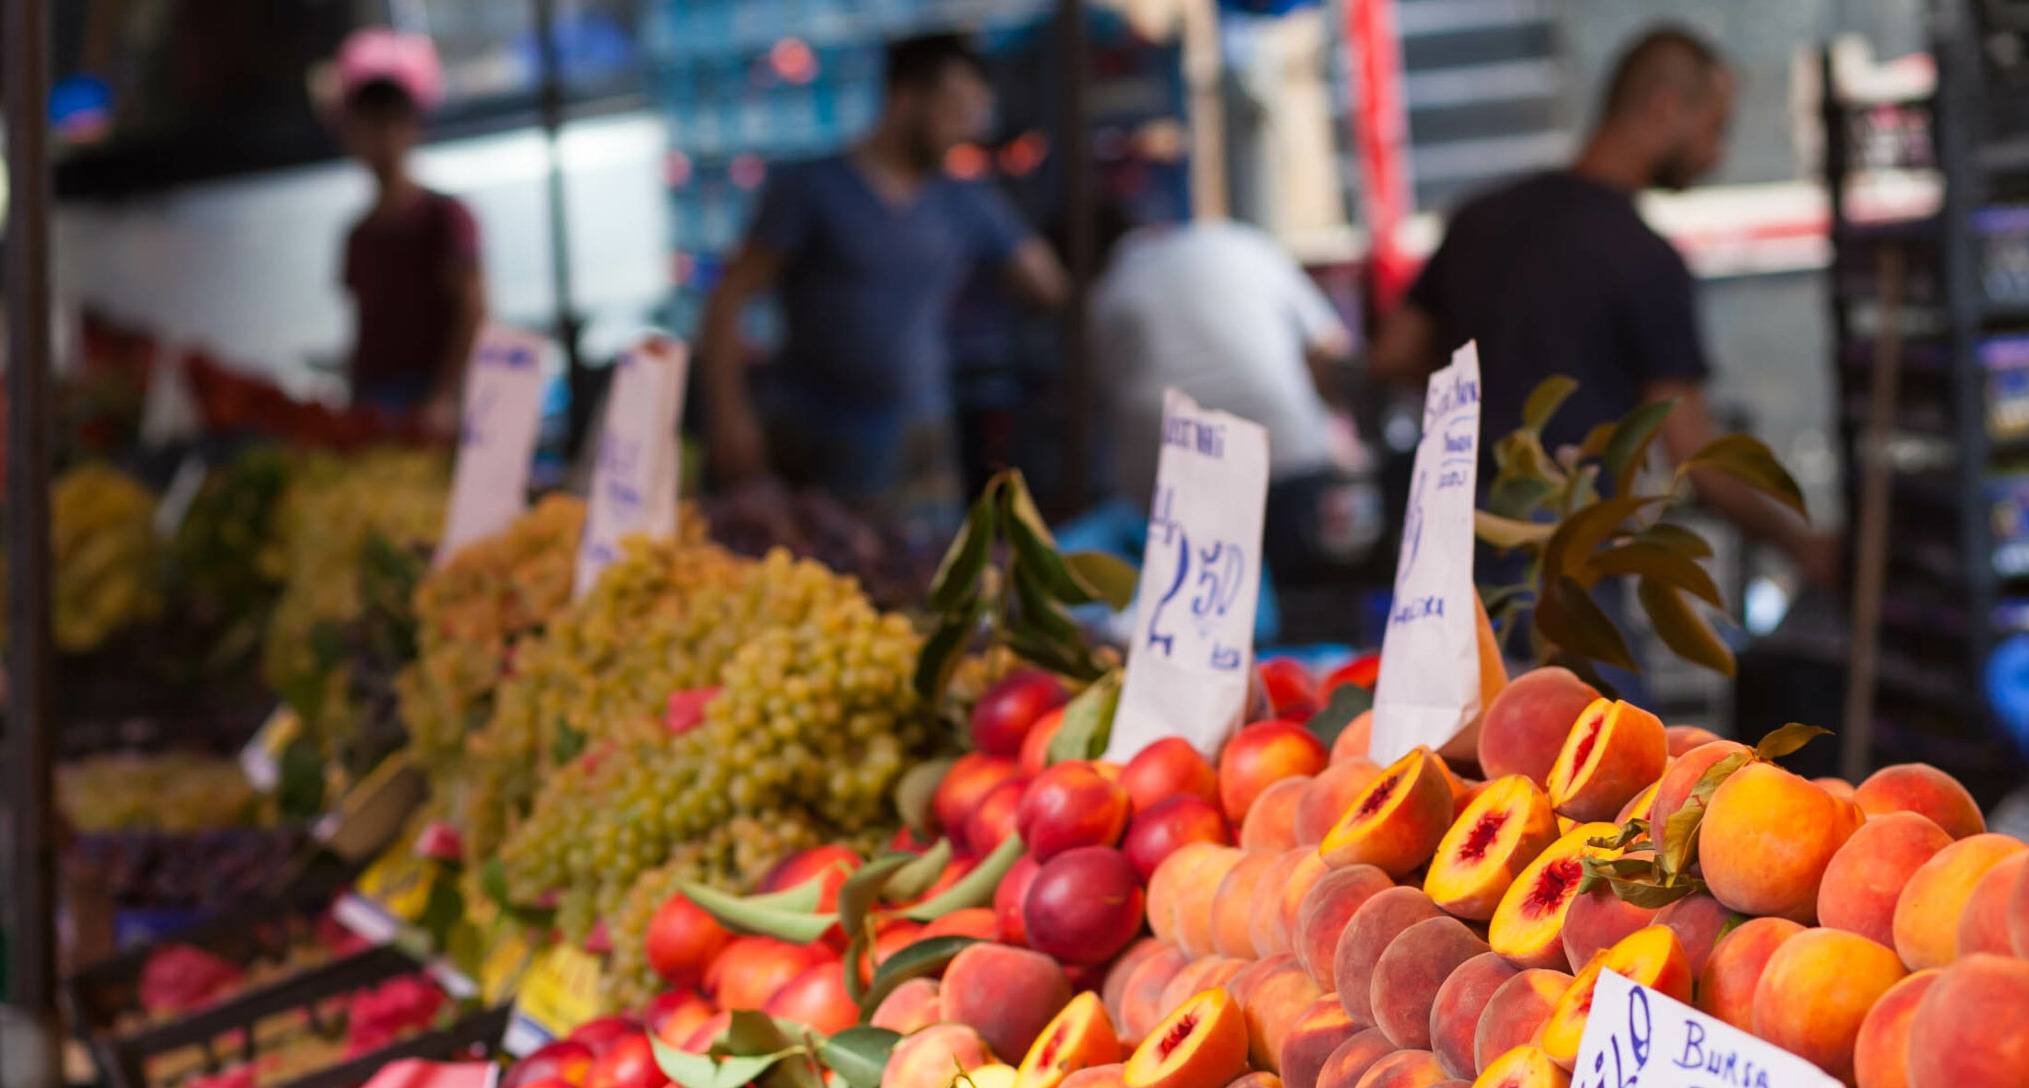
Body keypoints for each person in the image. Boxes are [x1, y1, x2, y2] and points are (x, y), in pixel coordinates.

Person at [1369, 27, 1837, 582]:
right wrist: (1799, 543)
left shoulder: (1479, 218)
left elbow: (1392, 356)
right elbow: (1692, 449)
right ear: (1664, 109)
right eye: (1715, 128)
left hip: (1445, 545)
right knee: (1576, 672)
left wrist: (1486, 378)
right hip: (1565, 562)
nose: (1718, 153)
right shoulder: (1644, 257)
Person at [701, 33, 1070, 534]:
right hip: (819, 434)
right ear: (905, 98)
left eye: (974, 113)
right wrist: (729, 415)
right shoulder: (814, 188)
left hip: (922, 434)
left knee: (923, 577)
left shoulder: (964, 201)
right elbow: (729, 298)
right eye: (955, 109)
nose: (965, 129)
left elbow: (1047, 286)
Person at [1091, 215, 1363, 643]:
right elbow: (1330, 353)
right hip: (1283, 447)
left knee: (1207, 624)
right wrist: (1347, 438)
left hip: (1178, 465)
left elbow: (1108, 394)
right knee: (1302, 605)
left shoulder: (1109, 289)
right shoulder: (1246, 245)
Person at [333, 36, 483, 432]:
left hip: (431, 405)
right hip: (376, 404)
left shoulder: (446, 217)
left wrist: (445, 396)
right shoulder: (358, 234)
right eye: (369, 125)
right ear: (351, 135)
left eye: (392, 122)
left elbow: (474, 312)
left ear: (413, 129)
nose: (381, 138)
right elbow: (362, 325)